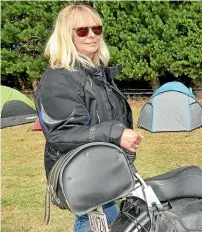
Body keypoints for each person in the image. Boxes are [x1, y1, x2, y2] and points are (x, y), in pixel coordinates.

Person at [34, 4, 143, 232]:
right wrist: (115, 133)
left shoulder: (94, 72)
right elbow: (61, 134)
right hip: (83, 173)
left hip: (102, 166)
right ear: (66, 35)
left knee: (109, 217)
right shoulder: (59, 78)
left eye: (97, 29)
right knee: (93, 219)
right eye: (82, 31)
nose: (92, 35)